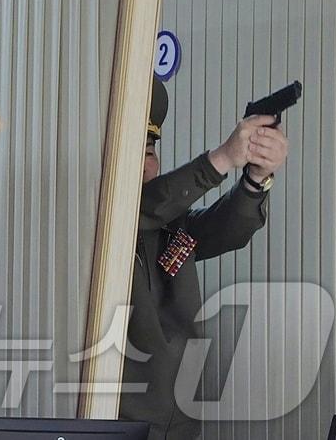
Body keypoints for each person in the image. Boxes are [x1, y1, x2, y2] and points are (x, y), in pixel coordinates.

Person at [118, 77, 288, 439]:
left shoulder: (167, 223)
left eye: (149, 151)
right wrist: (222, 157)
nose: (145, 165)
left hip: (179, 424)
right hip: (112, 424)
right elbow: (136, 210)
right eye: (131, 150)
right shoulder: (93, 220)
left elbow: (225, 230)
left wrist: (255, 180)